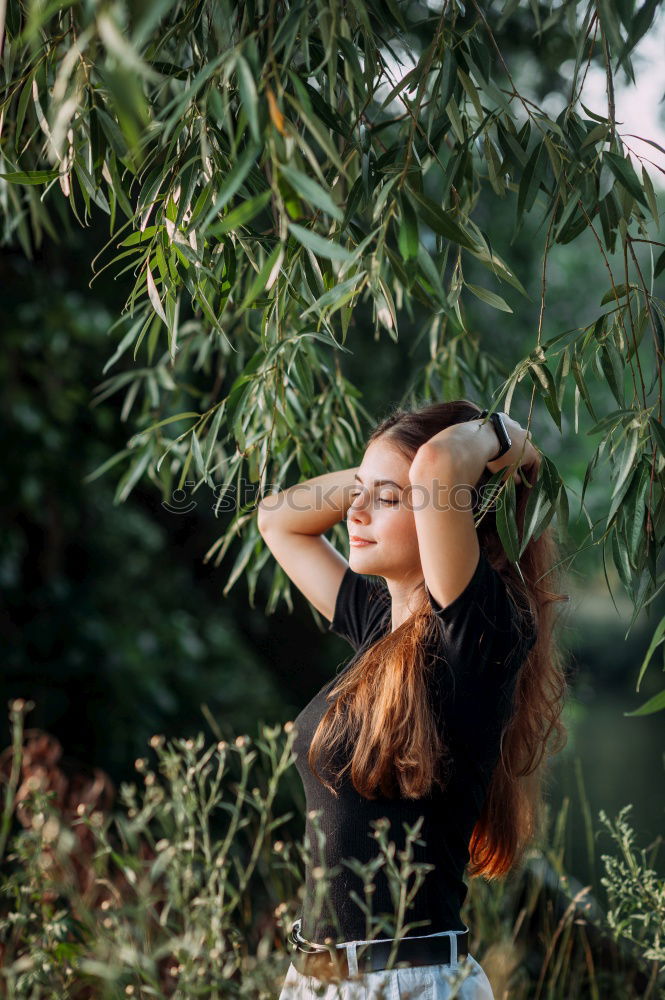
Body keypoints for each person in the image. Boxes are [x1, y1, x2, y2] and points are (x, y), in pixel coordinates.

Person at [257, 400, 569, 999]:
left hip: (409, 983)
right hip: (316, 979)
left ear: (453, 514)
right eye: (359, 493)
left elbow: (436, 467)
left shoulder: (479, 637)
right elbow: (278, 518)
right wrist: (378, 475)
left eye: (390, 500)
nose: (357, 510)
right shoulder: (382, 627)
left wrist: (511, 441)